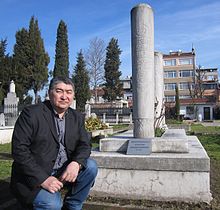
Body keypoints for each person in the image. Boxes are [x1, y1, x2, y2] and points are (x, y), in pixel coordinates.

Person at [10, 77, 98, 210]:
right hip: (35, 174)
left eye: (69, 92)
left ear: (73, 95)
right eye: (59, 91)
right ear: (50, 93)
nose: (64, 96)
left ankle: (73, 205)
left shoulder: (76, 117)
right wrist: (42, 179)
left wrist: (76, 163)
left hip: (62, 170)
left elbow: (84, 144)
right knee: (52, 205)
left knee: (91, 167)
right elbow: (19, 150)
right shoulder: (31, 114)